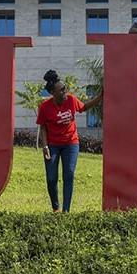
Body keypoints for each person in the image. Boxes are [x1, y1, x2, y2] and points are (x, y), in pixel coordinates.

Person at [36, 70, 103, 213]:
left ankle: (66, 210)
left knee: (69, 174)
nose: (65, 92)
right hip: (53, 145)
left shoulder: (72, 100)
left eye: (65, 88)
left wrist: (100, 97)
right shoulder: (45, 107)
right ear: (53, 93)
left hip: (70, 143)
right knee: (51, 178)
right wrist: (45, 146)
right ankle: (55, 208)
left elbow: (84, 107)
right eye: (61, 90)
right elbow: (43, 128)